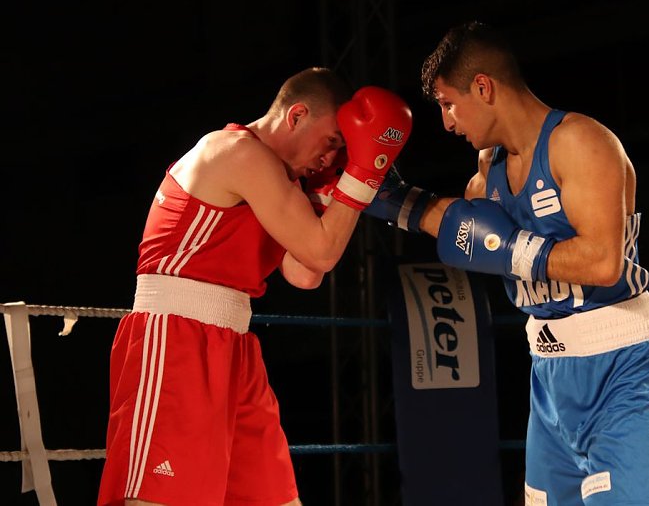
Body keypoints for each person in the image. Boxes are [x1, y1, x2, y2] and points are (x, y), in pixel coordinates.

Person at [365, 22, 649, 505]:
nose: (447, 122)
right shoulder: (485, 177)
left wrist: (512, 250)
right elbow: (457, 224)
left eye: (449, 103)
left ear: (483, 87)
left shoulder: (581, 143)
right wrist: (382, 197)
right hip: (548, 378)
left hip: (621, 373)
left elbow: (603, 263)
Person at [97, 67, 413, 506]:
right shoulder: (238, 153)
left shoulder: (282, 182)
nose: (330, 160)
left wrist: (328, 192)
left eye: (341, 152)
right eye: (331, 143)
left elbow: (306, 273)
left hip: (235, 347)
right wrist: (363, 176)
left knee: (273, 499)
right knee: (162, 498)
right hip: (177, 339)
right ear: (297, 115)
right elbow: (322, 253)